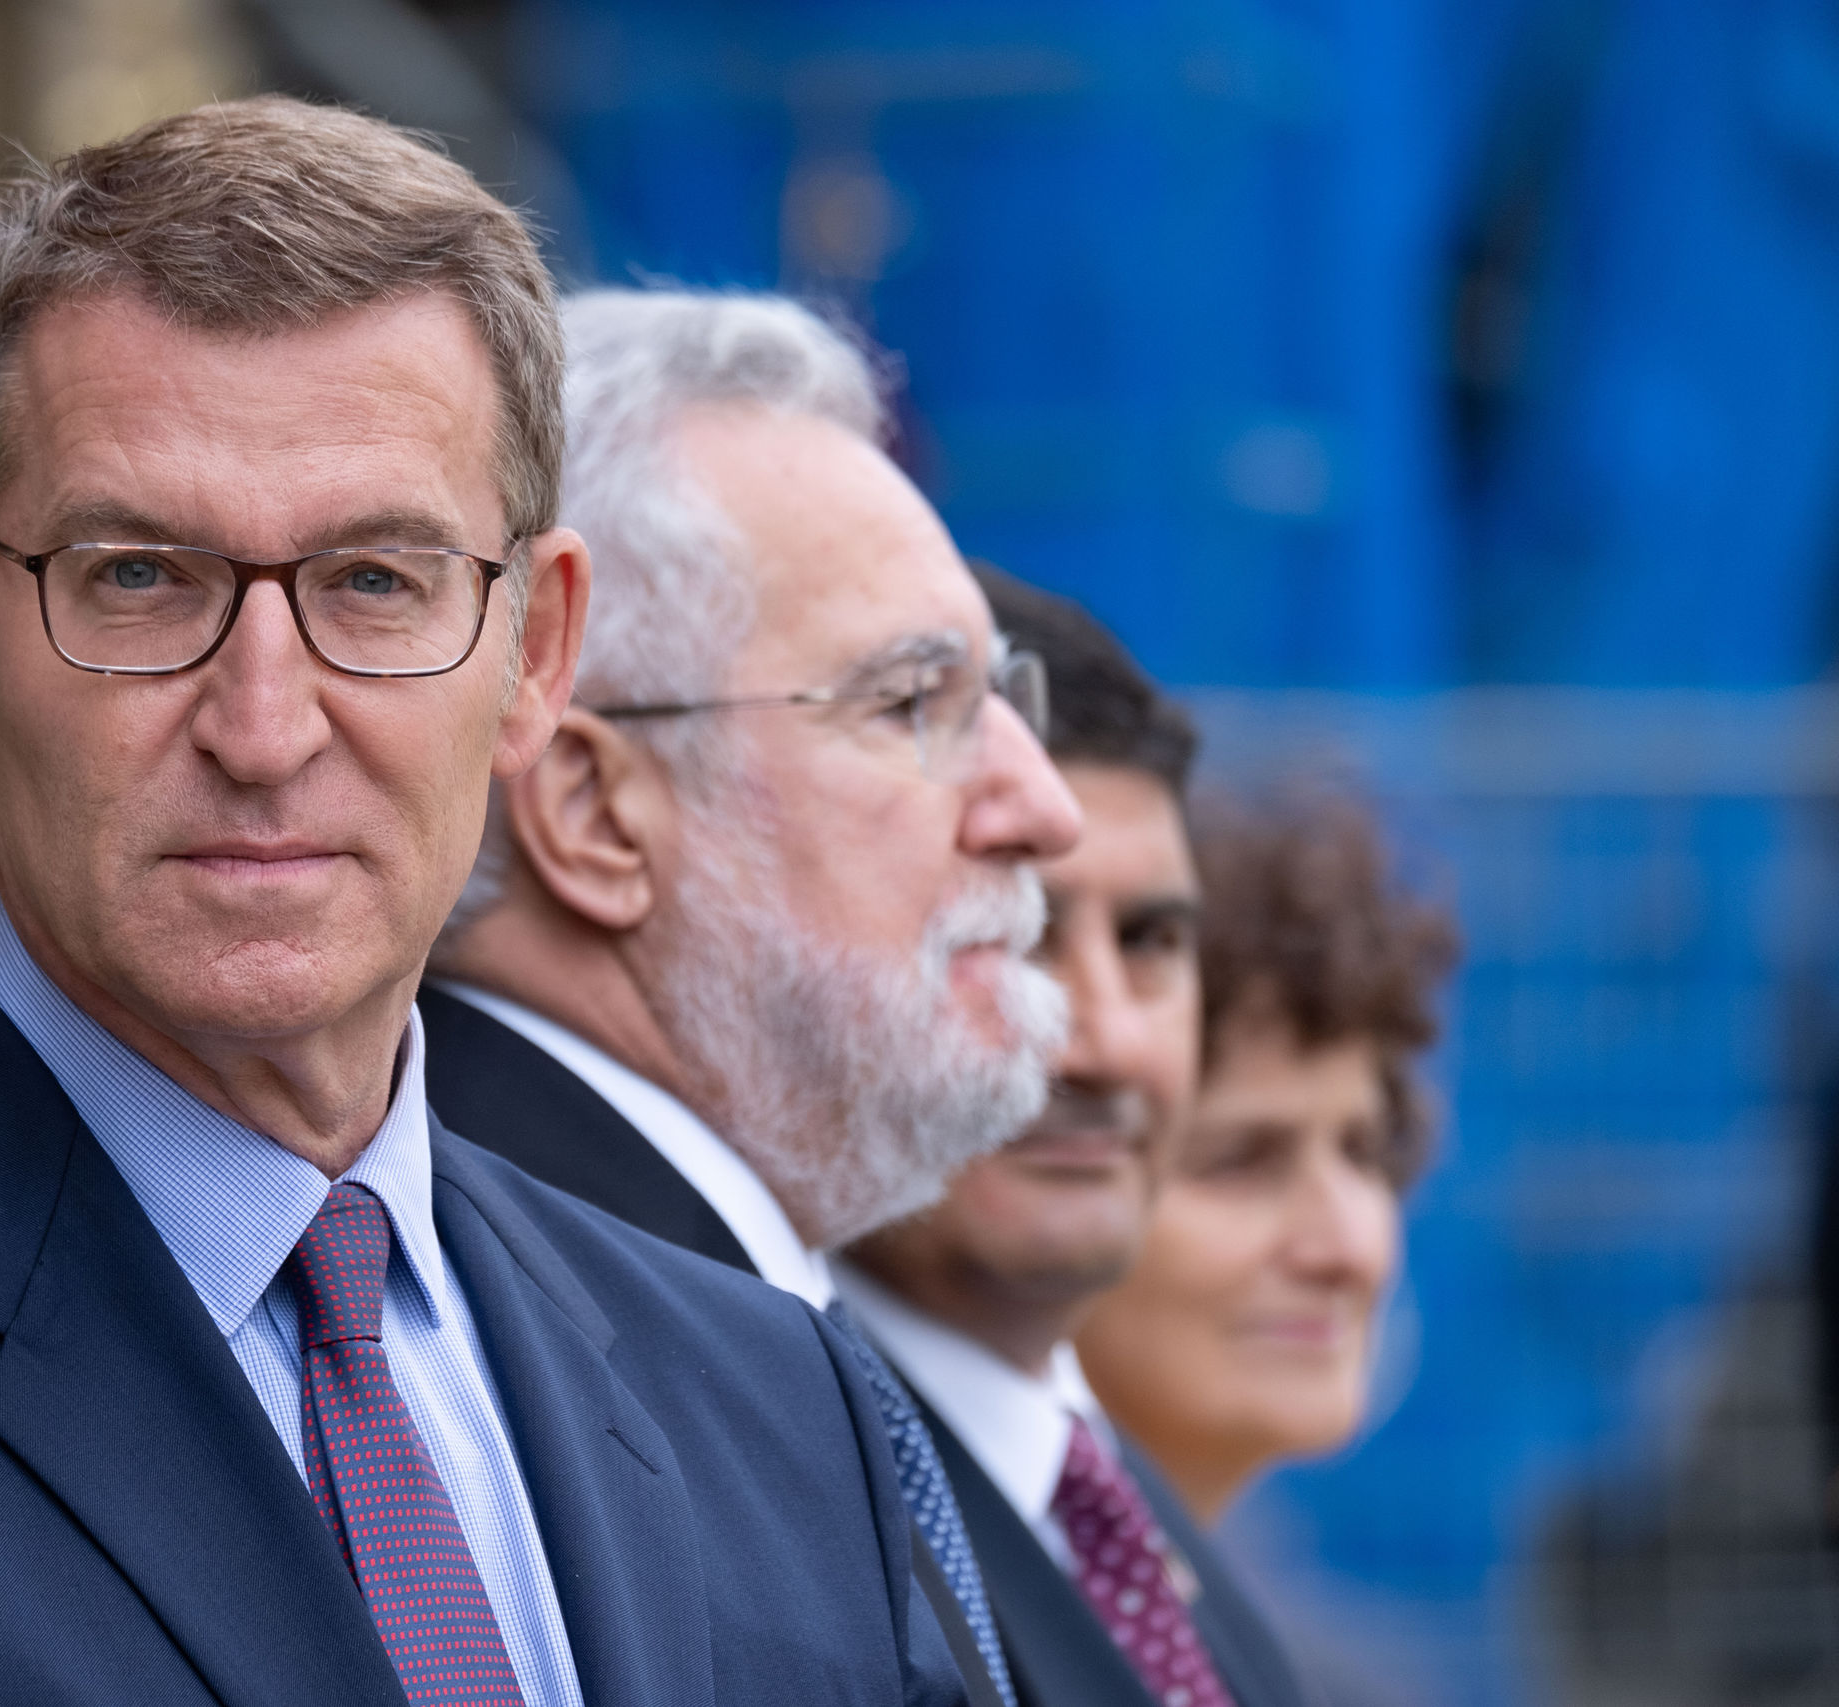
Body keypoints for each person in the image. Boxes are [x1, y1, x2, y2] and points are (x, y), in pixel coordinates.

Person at [0, 101, 970, 1706]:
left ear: (537, 653)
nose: (264, 725)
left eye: (376, 579)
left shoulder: (783, 1403)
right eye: (139, 577)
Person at [423, 288, 1082, 1707]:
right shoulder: (469, 1327)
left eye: (1003, 700)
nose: (1042, 807)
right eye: (910, 702)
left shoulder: (688, 1300)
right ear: (594, 811)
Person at [840, 580, 1310, 1707]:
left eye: (1151, 940)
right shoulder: (786, 1517)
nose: (1104, 1041)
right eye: (1021, 932)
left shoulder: (1131, 1514)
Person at [1075, 789, 1455, 1522]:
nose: (1346, 1249)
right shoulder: (911, 1577)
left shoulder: (1192, 1582)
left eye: (1364, 1151)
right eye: (1237, 1161)